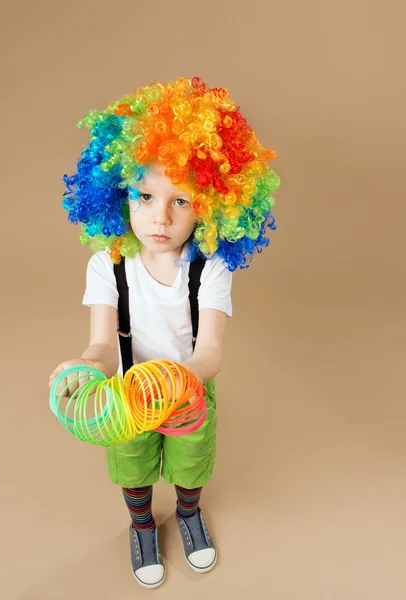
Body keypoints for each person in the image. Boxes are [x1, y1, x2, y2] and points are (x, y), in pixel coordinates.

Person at [48, 76, 280, 589]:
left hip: (188, 390)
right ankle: (141, 524)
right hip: (128, 391)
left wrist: (180, 381)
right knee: (131, 463)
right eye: (146, 195)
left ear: (213, 205)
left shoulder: (211, 268)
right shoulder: (106, 264)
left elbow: (211, 352)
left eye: (182, 200)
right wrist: (86, 367)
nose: (160, 216)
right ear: (116, 194)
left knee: (191, 463)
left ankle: (189, 514)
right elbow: (104, 344)